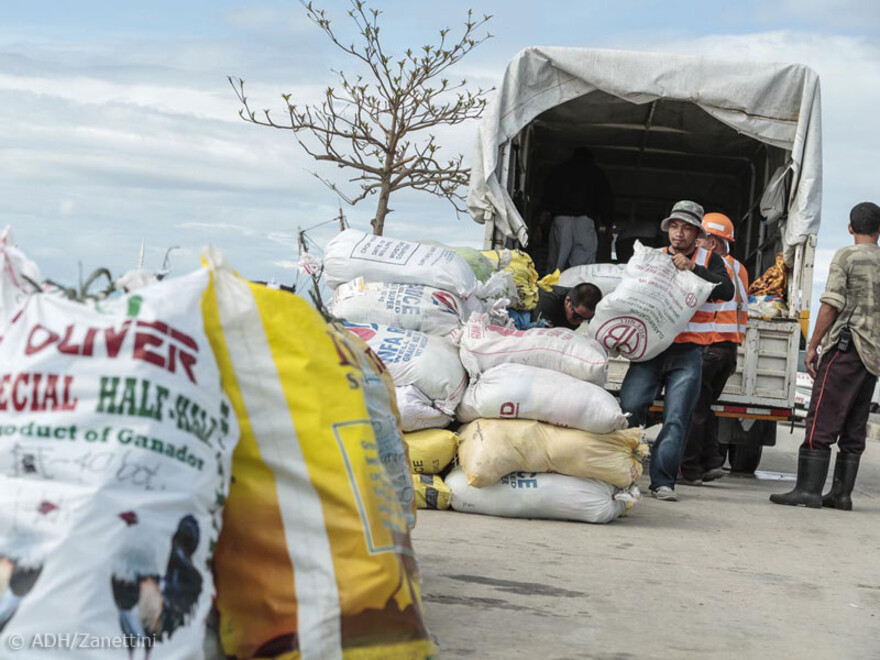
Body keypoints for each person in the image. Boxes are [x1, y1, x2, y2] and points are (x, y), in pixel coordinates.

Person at [618, 200, 735, 501]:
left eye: (686, 228)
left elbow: (726, 290)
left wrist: (694, 268)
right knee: (630, 409)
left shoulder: (709, 260)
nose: (678, 234)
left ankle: (662, 482)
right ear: (667, 228)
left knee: (677, 417)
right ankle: (620, 474)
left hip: (688, 353)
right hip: (650, 350)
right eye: (674, 226)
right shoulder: (653, 257)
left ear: (697, 233)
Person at [770, 202, 880, 510]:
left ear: (850, 227)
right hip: (872, 358)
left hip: (846, 349)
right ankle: (841, 495)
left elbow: (831, 304)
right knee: (855, 426)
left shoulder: (847, 255)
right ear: (879, 230)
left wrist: (815, 344)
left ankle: (808, 490)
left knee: (821, 418)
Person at [678, 213, 749, 486]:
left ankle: (691, 469)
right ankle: (713, 461)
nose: (696, 244)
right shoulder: (739, 268)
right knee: (704, 407)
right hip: (729, 349)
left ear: (713, 242)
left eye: (700, 239)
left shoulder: (713, 272)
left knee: (694, 408)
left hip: (711, 343)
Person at [542, 148, 614, 272]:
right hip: (585, 221)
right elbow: (606, 201)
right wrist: (608, 226)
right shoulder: (597, 173)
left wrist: (541, 220)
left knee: (557, 262)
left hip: (561, 219)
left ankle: (553, 288)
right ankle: (579, 290)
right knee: (582, 267)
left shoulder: (559, 170)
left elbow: (548, 195)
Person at [531, 282, 603, 330]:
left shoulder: (575, 312)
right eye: (576, 316)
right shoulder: (548, 300)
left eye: (585, 319)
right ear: (567, 301)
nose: (579, 321)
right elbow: (538, 335)